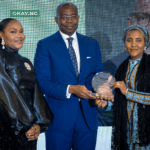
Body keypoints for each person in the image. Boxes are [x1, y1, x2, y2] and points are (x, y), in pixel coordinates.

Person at [34, 2, 107, 150]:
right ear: (56, 20)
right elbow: (42, 82)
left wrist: (103, 92)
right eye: (64, 17)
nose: (69, 20)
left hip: (88, 117)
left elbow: (99, 73)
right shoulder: (45, 45)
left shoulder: (92, 44)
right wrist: (71, 89)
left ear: (78, 18)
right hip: (59, 118)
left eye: (73, 16)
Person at [0, 18, 53, 150]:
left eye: (21, 31)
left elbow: (37, 96)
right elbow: (5, 95)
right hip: (8, 127)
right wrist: (24, 124)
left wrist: (39, 125)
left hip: (28, 129)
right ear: (1, 35)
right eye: (13, 31)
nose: (19, 35)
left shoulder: (26, 61)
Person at [111, 25, 150, 150]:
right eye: (129, 40)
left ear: (146, 44)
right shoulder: (121, 68)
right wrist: (105, 100)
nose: (133, 44)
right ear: (125, 44)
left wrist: (128, 92)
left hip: (146, 135)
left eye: (138, 40)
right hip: (126, 135)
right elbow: (118, 99)